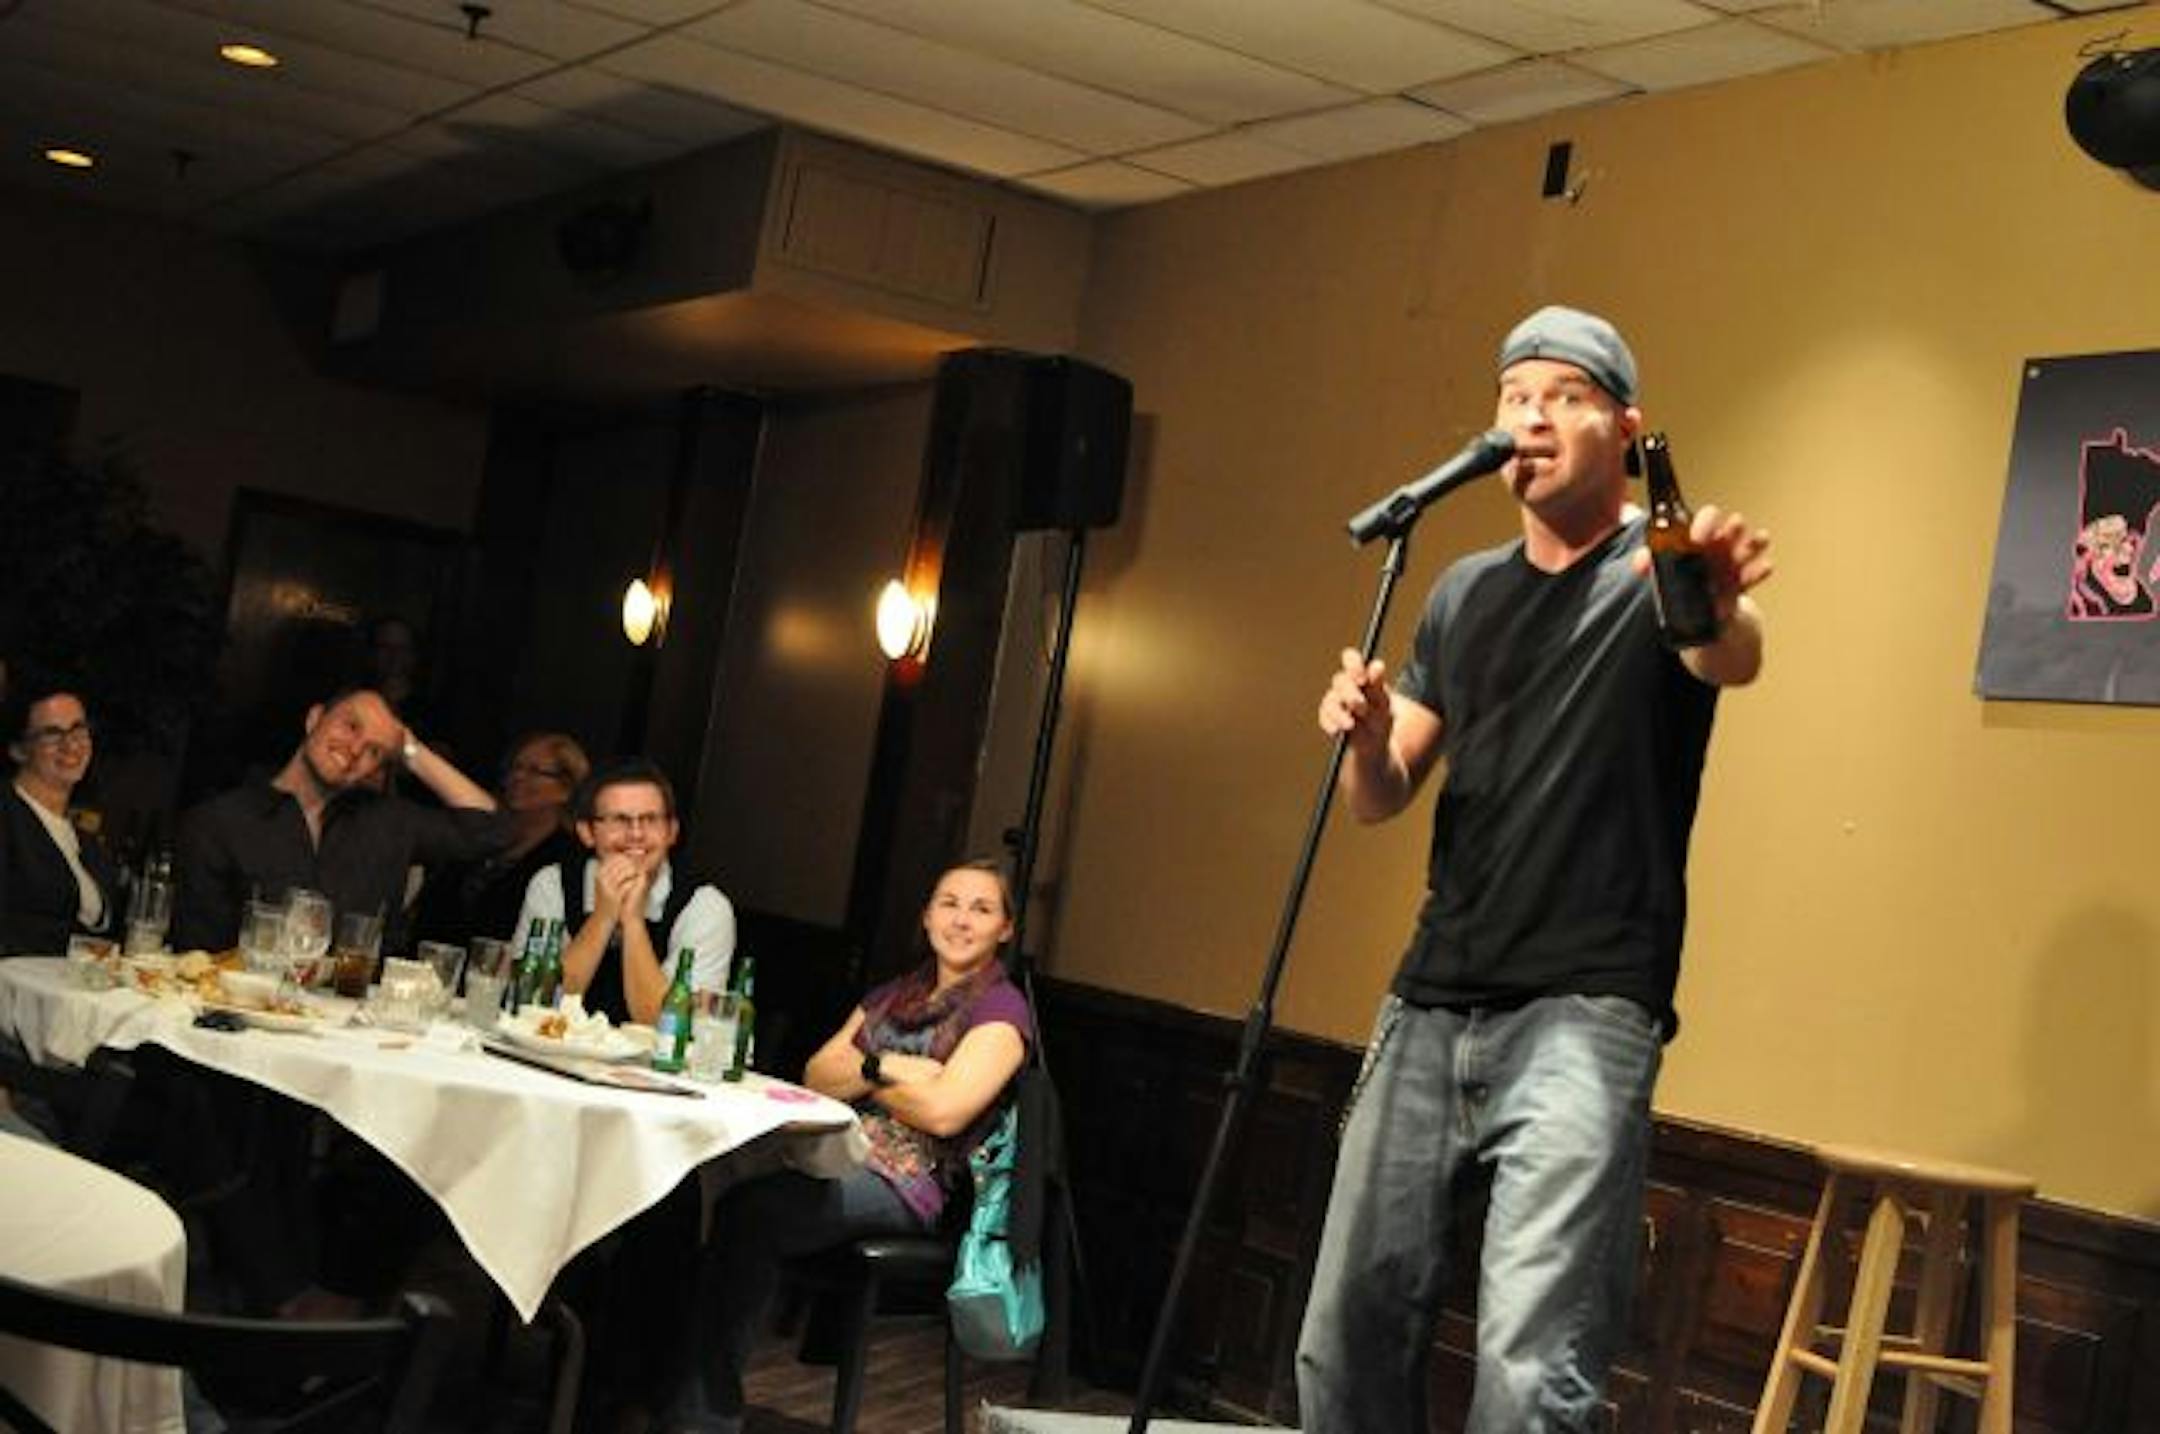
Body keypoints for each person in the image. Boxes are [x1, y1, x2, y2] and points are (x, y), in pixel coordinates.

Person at [1297, 305, 1774, 1433]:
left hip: (1585, 1011)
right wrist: (1364, 738)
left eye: (1564, 395)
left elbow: (1729, 652)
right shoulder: (1463, 591)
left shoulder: (1653, 572)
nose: (1533, 417)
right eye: (1516, 397)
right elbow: (1384, 794)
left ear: (1625, 425)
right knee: (1345, 1338)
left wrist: (1713, 587)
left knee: (1528, 1370)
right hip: (1430, 1000)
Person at [659, 858, 1034, 1434]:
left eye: (981, 909)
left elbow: (945, 1112)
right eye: (949, 903)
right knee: (700, 1186)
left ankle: (699, 1421)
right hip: (838, 1155)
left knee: (751, 1213)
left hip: (913, 1184)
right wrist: (891, 1065)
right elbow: (817, 1076)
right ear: (927, 915)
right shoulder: (895, 994)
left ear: (1005, 929)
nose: (960, 920)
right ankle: (653, 1384)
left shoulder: (1002, 1010)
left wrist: (869, 1076)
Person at [171, 687, 508, 953]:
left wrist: (410, 750)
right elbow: (196, 957)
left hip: (353, 1033)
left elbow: (489, 833)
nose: (356, 748)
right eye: (351, 725)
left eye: (375, 751)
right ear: (314, 718)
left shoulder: (389, 821)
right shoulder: (219, 821)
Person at [511, 757, 734, 1024]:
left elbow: (670, 1027)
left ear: (672, 832)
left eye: (650, 819)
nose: (636, 834)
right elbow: (531, 1003)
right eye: (620, 820)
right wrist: (604, 916)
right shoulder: (553, 885)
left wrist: (632, 921)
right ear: (587, 832)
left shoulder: (704, 907)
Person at [412, 731, 589, 950]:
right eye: (516, 767)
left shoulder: (566, 857)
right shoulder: (485, 832)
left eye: (534, 771)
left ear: (567, 788)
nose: (518, 777)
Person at [1, 682, 120, 956]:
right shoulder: (6, 816)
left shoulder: (86, 841)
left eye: (79, 729)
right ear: (18, 749)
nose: (71, 744)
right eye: (52, 734)